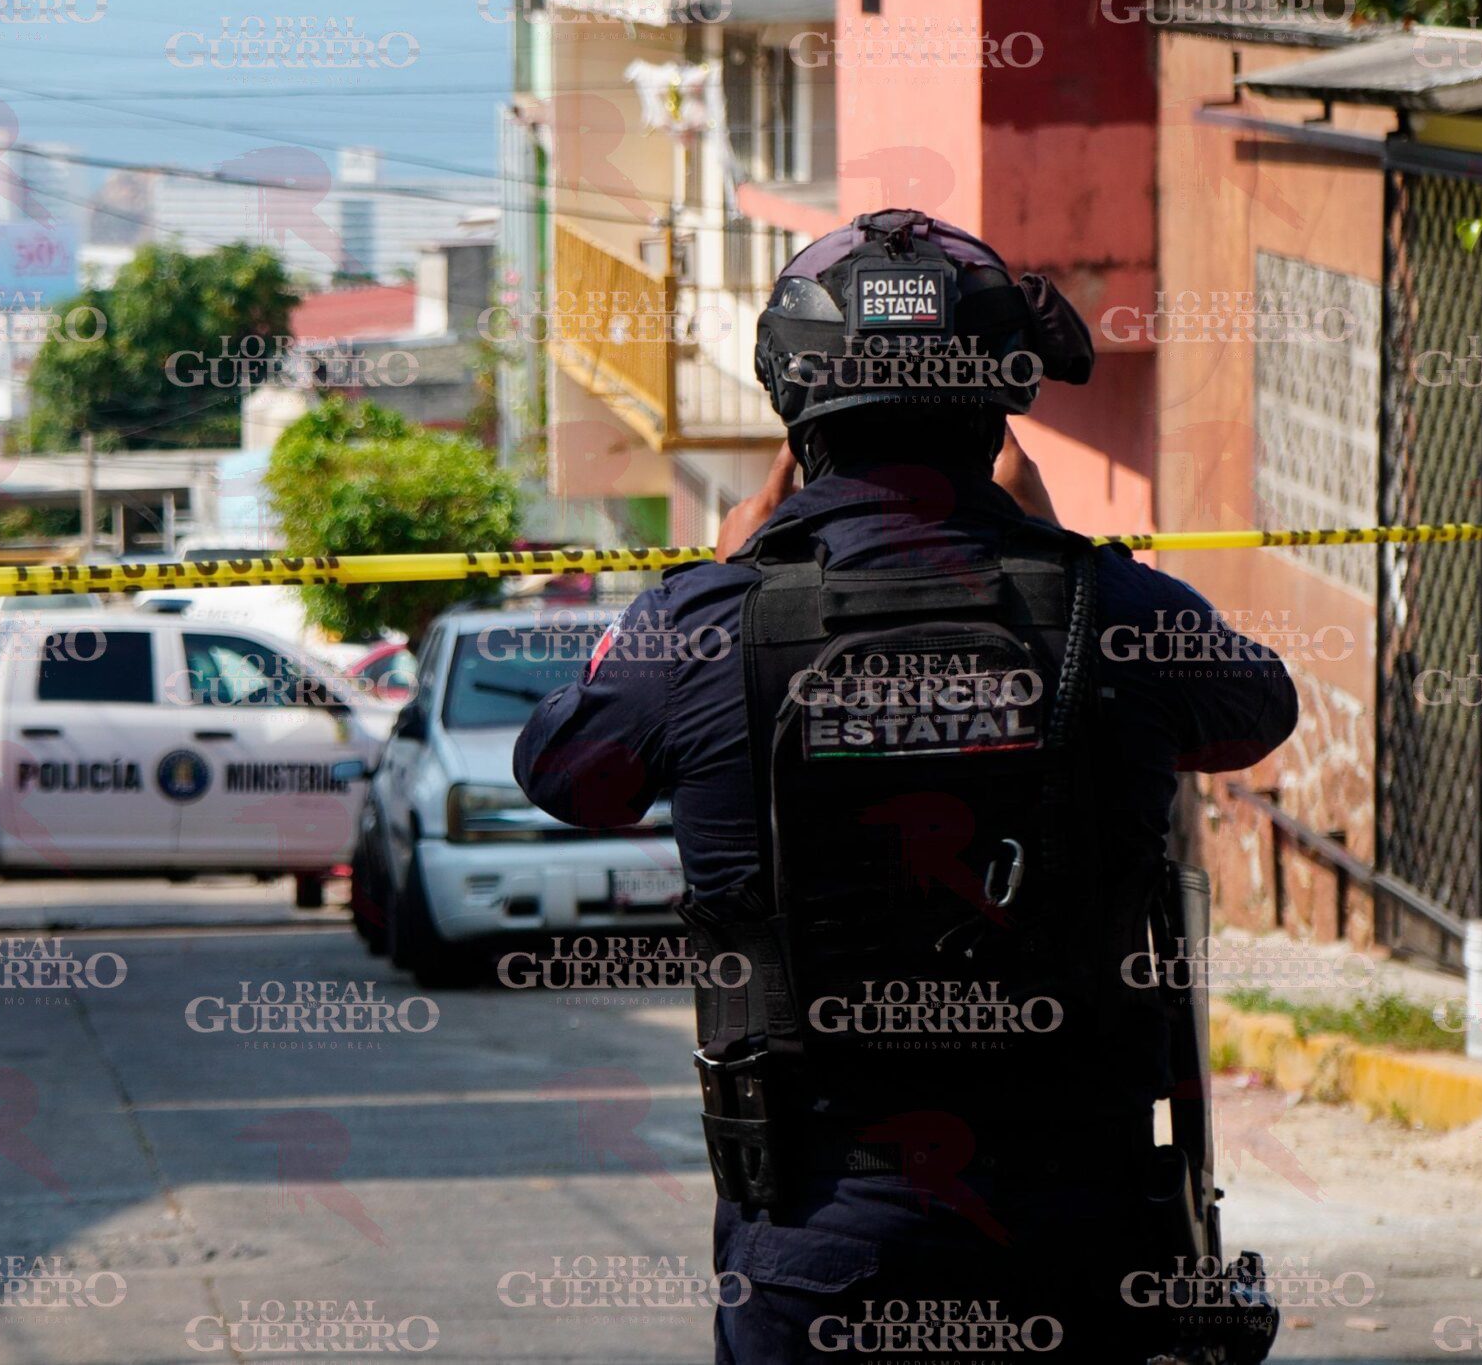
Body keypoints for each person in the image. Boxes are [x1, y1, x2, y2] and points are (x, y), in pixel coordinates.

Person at [514, 211, 1296, 1362]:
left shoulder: (705, 626)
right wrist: (1052, 552)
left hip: (819, 1245)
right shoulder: (1112, 613)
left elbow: (567, 776)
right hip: (1080, 1240)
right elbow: (1251, 718)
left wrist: (724, 573)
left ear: (796, 412)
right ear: (997, 407)